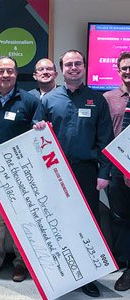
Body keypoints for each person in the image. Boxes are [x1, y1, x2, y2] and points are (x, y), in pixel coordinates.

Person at [34, 49, 114, 298]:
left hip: (85, 171)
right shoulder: (48, 100)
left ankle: (88, 276)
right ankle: (59, 275)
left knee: (87, 224)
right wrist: (37, 128)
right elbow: (35, 135)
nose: (74, 67)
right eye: (69, 64)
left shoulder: (96, 100)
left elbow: (105, 139)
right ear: (62, 69)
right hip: (53, 171)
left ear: (84, 67)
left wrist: (104, 173)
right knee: (55, 222)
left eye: (78, 63)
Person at [0, 56, 43, 283]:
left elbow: (38, 134)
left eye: (10, 71)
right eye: (1, 71)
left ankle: (20, 264)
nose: (5, 75)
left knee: (21, 219)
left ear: (16, 74)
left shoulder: (30, 101)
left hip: (22, 173)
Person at [103, 51, 130, 292]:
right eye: (125, 68)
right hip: (116, 169)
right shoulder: (108, 98)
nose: (128, 71)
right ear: (118, 70)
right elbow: (103, 134)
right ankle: (124, 261)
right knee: (119, 217)